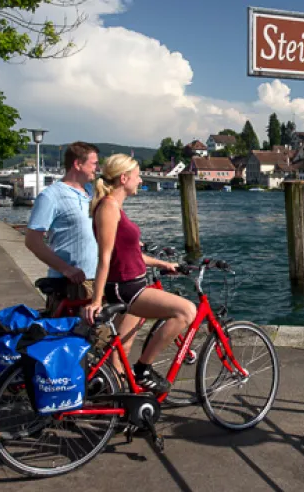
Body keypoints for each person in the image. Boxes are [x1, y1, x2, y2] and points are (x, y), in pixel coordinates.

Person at [83, 154, 196, 393]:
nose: (140, 180)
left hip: (132, 284)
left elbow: (129, 254)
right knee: (186, 311)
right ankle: (144, 369)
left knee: (121, 349)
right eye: (136, 176)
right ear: (124, 178)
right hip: (126, 289)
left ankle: (121, 400)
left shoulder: (116, 208)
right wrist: (96, 300)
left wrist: (163, 264)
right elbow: (105, 258)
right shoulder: (109, 208)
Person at [25, 141, 100, 313]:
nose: (97, 168)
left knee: (101, 337)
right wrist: (66, 269)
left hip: (97, 278)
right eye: (94, 163)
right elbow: (32, 241)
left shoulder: (91, 192)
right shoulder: (51, 196)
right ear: (78, 164)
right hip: (71, 284)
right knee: (72, 337)